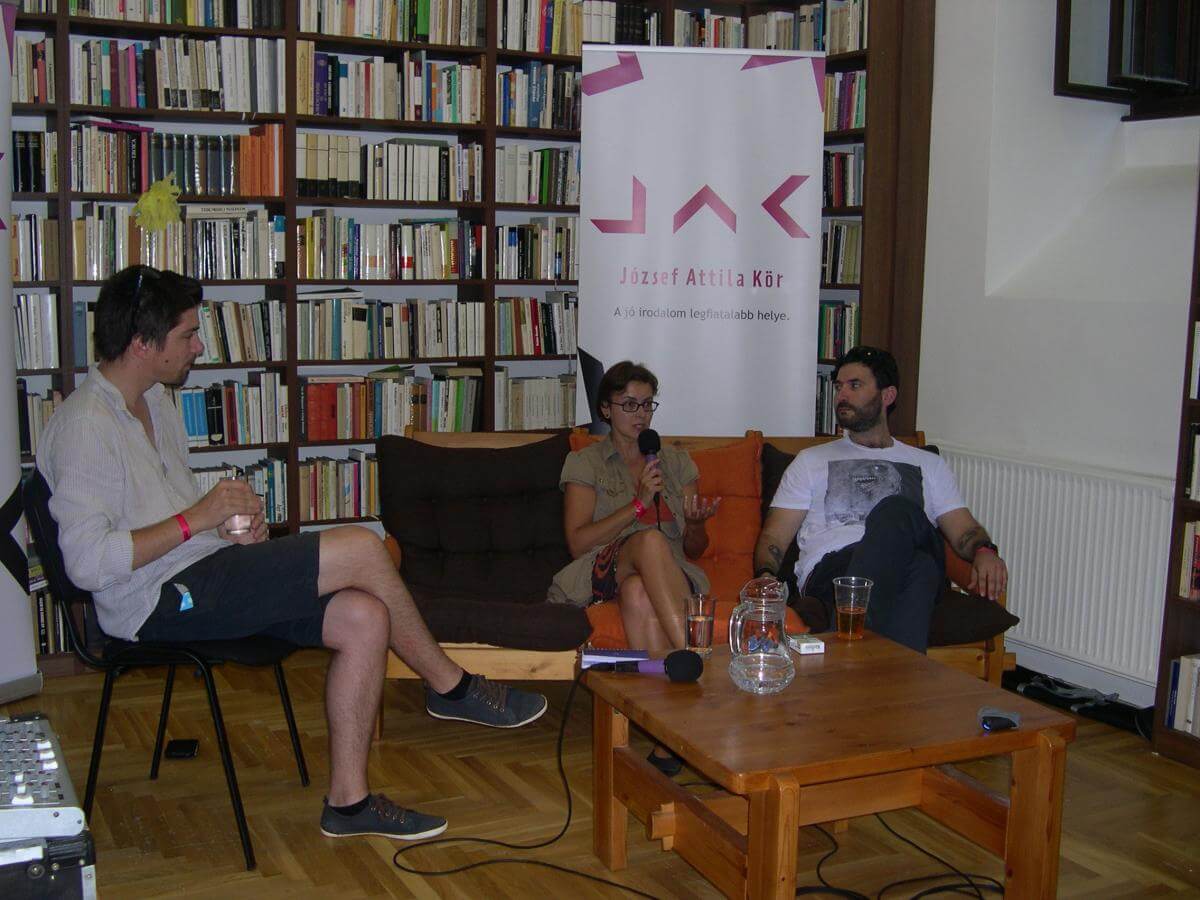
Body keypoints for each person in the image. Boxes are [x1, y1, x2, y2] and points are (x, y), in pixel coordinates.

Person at [37, 265, 548, 841]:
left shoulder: (155, 402)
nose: (199, 346)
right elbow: (87, 564)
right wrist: (198, 518)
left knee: (365, 617)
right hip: (151, 603)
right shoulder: (84, 426)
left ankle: (348, 804)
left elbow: (175, 519)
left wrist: (227, 533)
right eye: (187, 334)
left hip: (201, 573)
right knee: (363, 548)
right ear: (141, 343)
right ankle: (450, 686)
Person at [753, 345, 1007, 652]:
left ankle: (846, 641)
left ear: (888, 396)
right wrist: (766, 575)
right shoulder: (810, 461)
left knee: (895, 510)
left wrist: (984, 550)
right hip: (835, 571)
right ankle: (891, 670)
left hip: (898, 553)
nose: (842, 396)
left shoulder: (928, 464)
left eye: (854, 385)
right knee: (921, 569)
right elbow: (774, 537)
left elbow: (963, 529)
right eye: (839, 387)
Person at [548, 361, 720, 773]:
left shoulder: (675, 462)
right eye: (628, 404)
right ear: (605, 409)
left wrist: (696, 524)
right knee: (649, 540)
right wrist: (639, 505)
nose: (640, 414)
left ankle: (667, 740)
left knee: (639, 592)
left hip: (667, 574)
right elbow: (578, 542)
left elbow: (694, 550)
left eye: (647, 404)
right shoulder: (586, 462)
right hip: (600, 567)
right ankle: (706, 666)